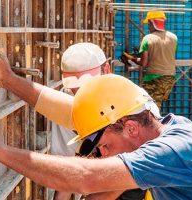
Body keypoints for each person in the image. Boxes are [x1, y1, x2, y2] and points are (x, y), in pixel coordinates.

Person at [0, 58, 192, 199]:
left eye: (103, 146)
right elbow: (75, 113)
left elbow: (85, 178)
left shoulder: (169, 151)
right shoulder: (162, 124)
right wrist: (9, 81)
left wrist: (1, 151)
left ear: (130, 128)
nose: (100, 153)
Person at [51, 42, 107, 199]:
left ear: (107, 70)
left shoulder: (130, 97)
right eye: (75, 85)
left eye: (86, 83)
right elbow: (67, 172)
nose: (80, 91)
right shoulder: (67, 102)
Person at [130, 11, 177, 110]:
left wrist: (132, 58)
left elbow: (144, 63)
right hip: (170, 79)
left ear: (152, 22)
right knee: (156, 106)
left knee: (150, 108)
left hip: (154, 79)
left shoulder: (147, 39)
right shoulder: (173, 37)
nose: (148, 27)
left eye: (149, 24)